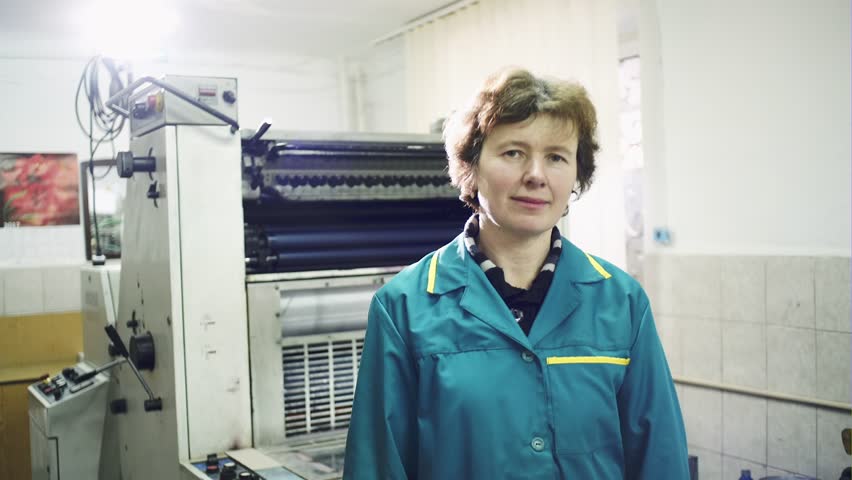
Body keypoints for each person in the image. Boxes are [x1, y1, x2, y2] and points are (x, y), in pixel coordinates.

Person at [343, 67, 689, 479]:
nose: (536, 175)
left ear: (576, 175)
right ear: (471, 166)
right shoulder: (404, 308)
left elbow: (660, 460)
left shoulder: (622, 302)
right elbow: (376, 466)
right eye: (513, 152)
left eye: (557, 157)